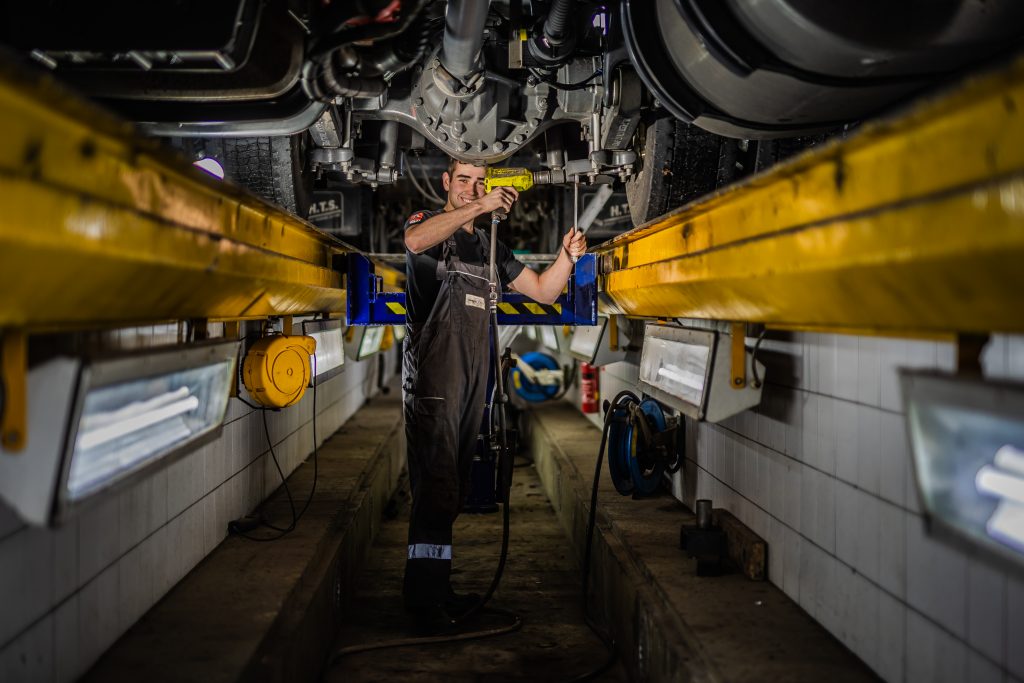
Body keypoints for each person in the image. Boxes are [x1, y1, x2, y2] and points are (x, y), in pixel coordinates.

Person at [401, 157, 587, 631]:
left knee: (453, 490)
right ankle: (423, 604)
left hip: (471, 387)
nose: (471, 188)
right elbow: (414, 241)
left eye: (481, 182)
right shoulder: (428, 226)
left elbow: (544, 293)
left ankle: (437, 590)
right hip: (434, 386)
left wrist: (567, 256)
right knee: (436, 489)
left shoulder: (490, 249)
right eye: (463, 180)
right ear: (447, 182)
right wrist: (480, 205)